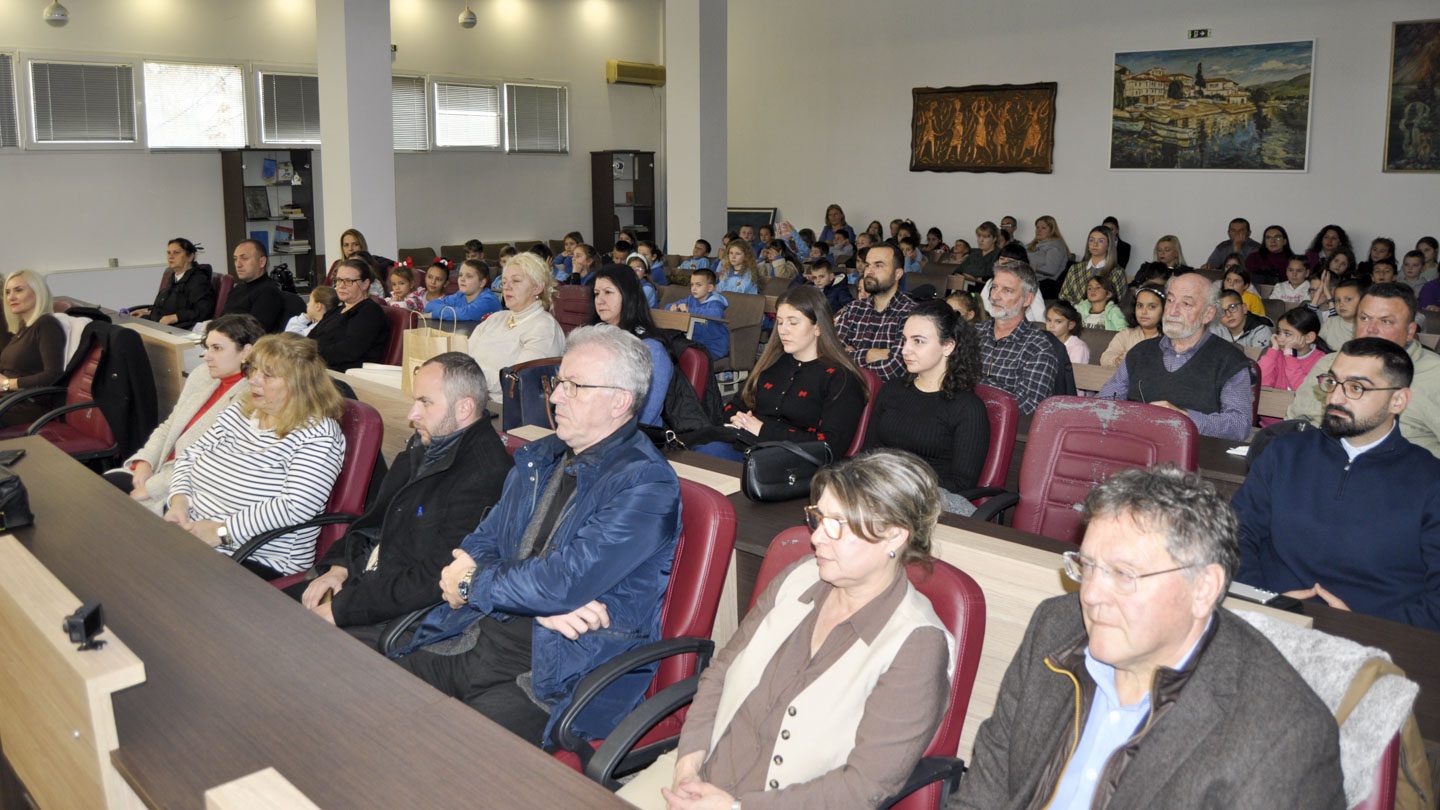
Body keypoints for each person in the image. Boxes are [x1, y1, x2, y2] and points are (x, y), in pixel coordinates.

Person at [953, 466, 1345, 809]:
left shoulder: (1283, 736)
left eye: (1124, 574)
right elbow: (987, 788)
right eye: (1087, 566)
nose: (1090, 594)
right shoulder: (1055, 626)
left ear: (1203, 588)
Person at [390, 325, 681, 746]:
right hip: (478, 632)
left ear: (620, 401)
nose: (556, 396)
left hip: (559, 672)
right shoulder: (542, 456)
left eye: (574, 386)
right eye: (558, 382)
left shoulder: (646, 484)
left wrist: (473, 584)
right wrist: (536, 598)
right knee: (381, 699)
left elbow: (560, 583)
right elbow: (483, 540)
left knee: (450, 749)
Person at [618, 451, 954, 810]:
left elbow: (864, 786)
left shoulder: (917, 645)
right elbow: (721, 673)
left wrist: (733, 808)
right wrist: (688, 765)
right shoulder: (799, 576)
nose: (817, 538)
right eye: (818, 518)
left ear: (894, 537)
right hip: (699, 774)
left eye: (837, 525)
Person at [298, 353, 512, 645]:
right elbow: (374, 519)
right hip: (364, 586)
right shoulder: (426, 444)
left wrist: (343, 610)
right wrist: (339, 567)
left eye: (425, 402)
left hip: (398, 617)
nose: (412, 415)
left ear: (464, 408)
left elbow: (434, 577)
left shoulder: (485, 475)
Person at [1237, 338, 1440, 631]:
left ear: (1398, 400)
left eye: (1356, 388)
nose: (1335, 398)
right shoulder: (1285, 453)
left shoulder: (1430, 481)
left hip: (1377, 641)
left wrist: (1366, 627)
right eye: (1332, 382)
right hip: (1270, 622)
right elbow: (1236, 535)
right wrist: (1262, 601)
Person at [165, 333, 346, 579]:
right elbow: (190, 455)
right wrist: (179, 501)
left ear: (299, 384)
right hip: (193, 531)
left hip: (255, 556)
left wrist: (221, 533)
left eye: (267, 375)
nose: (252, 380)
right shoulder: (241, 410)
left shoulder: (318, 434)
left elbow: (296, 506)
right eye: (254, 370)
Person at [107, 314, 263, 511]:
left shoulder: (252, 397)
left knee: (110, 507)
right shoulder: (202, 375)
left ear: (247, 352)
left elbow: (210, 462)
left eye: (217, 348)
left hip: (188, 490)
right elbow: (169, 425)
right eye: (207, 347)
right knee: (103, 488)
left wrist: (153, 488)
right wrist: (145, 461)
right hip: (159, 468)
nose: (207, 356)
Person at [697, 286, 866, 462]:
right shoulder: (771, 363)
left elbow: (830, 446)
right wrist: (737, 418)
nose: (783, 330)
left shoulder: (840, 378)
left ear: (818, 327)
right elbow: (733, 406)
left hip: (793, 463)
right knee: (699, 448)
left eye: (793, 322)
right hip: (747, 447)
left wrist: (763, 430)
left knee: (708, 453)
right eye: (780, 322)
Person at [1287, 283, 1440, 458]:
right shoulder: (1329, 364)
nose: (1371, 329)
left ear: (1410, 331)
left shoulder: (1434, 375)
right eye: (1364, 318)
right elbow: (1294, 422)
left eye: (1386, 321)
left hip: (1397, 470)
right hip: (1319, 462)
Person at [867, 302, 990, 515]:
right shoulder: (892, 389)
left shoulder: (968, 408)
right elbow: (867, 453)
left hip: (929, 502)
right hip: (879, 491)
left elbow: (961, 484)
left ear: (948, 346)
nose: (905, 350)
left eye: (918, 341)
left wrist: (899, 485)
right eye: (904, 340)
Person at [1098, 272, 1253, 441]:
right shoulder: (1140, 352)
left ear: (1208, 314)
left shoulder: (1230, 360)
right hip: (1137, 446)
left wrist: (1184, 418)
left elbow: (1239, 425)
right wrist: (1134, 415)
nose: (1173, 311)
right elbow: (1105, 401)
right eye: (1170, 300)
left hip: (1196, 452)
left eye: (1186, 303)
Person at [466, 253, 567, 404]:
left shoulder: (545, 328)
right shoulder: (495, 318)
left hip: (505, 411)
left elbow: (516, 381)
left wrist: (467, 375)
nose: (506, 286)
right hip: (470, 399)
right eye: (504, 281)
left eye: (516, 281)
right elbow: (464, 356)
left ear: (537, 287)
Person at [594, 266, 673, 426]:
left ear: (628, 296)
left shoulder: (651, 350)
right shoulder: (595, 337)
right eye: (596, 293)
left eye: (608, 292)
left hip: (632, 435)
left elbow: (646, 416)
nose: (599, 300)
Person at [975, 261, 1057, 415]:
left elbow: (1029, 406)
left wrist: (976, 385)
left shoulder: (1038, 348)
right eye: (994, 287)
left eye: (1007, 290)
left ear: (1027, 299)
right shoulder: (973, 333)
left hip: (999, 423)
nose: (995, 296)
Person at [836, 244, 917, 381]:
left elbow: (895, 368)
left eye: (878, 265)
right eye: (868, 265)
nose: (869, 271)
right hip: (845, 387)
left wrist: (851, 356)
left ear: (897, 274)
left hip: (886, 393)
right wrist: (869, 355)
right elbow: (831, 355)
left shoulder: (911, 314)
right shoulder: (853, 308)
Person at [0, 269, 65, 424]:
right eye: (7, 292)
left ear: (38, 292)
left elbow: (53, 375)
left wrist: (8, 384)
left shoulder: (46, 324)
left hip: (28, 403)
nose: (11, 297)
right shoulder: (22, 328)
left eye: (18, 290)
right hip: (9, 398)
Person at [309, 258, 390, 372]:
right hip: (318, 367)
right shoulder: (335, 311)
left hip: (344, 374)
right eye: (339, 280)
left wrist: (311, 355)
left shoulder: (370, 311)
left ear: (365, 284)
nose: (341, 286)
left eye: (348, 281)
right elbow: (310, 338)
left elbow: (349, 350)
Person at [132, 238, 214, 329]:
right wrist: (148, 312)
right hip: (158, 323)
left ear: (190, 257)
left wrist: (175, 317)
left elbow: (203, 311)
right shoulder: (173, 276)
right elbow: (168, 305)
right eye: (168, 253)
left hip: (178, 329)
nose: (170, 257)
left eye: (176, 253)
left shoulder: (198, 280)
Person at [1257, 306, 1326, 400]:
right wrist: (1273, 350)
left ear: (1308, 337)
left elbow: (1304, 392)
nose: (1280, 338)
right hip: (1273, 406)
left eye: (1287, 334)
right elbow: (1261, 384)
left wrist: (1289, 356)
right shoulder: (1276, 355)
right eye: (1279, 332)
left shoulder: (1322, 361)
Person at [221, 239, 287, 333]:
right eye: (235, 259)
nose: (238, 265)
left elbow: (254, 333)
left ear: (262, 262)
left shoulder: (268, 292)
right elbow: (222, 320)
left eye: (244, 258)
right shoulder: (237, 288)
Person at [667, 267, 730, 361]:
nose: (694, 288)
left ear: (710, 288)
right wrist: (672, 307)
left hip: (714, 347)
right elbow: (667, 306)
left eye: (698, 285)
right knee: (670, 349)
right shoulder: (691, 299)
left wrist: (689, 310)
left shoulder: (716, 302)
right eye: (692, 284)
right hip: (695, 344)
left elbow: (716, 314)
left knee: (684, 356)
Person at [1099, 285, 1164, 368]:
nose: (1144, 312)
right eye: (1140, 306)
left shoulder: (1169, 339)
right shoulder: (1126, 334)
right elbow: (1104, 359)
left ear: (1164, 309)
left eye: (1152, 307)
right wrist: (1118, 360)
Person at [1059, 226, 1126, 306]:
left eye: (1101, 241)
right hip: (1074, 312)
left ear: (1108, 246)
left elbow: (1120, 303)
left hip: (1105, 313)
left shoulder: (1117, 272)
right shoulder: (1075, 269)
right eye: (1091, 240)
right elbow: (1063, 295)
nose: (1095, 244)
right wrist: (1079, 307)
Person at [422, 259, 500, 321]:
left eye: (469, 276)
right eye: (460, 275)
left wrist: (434, 314)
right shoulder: (460, 295)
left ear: (482, 283)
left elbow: (465, 313)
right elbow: (430, 305)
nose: (462, 279)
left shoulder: (488, 300)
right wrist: (450, 311)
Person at [1208, 289, 1273, 348]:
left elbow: (1261, 357)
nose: (1228, 315)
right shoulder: (1214, 328)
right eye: (1221, 311)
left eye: (1232, 307)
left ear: (1244, 308)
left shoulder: (1261, 331)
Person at [1314, 276, 1364, 352]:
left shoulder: (1370, 327)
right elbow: (1318, 350)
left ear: (1364, 300)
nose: (1341, 304)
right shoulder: (1330, 323)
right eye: (1337, 300)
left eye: (1348, 299)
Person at [1025, 215, 1070, 293]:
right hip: (1029, 280)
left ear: (1052, 230)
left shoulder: (1056, 246)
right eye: (1037, 227)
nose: (1038, 230)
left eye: (1043, 228)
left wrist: (1028, 267)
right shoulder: (1034, 244)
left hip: (1046, 284)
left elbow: (1051, 270)